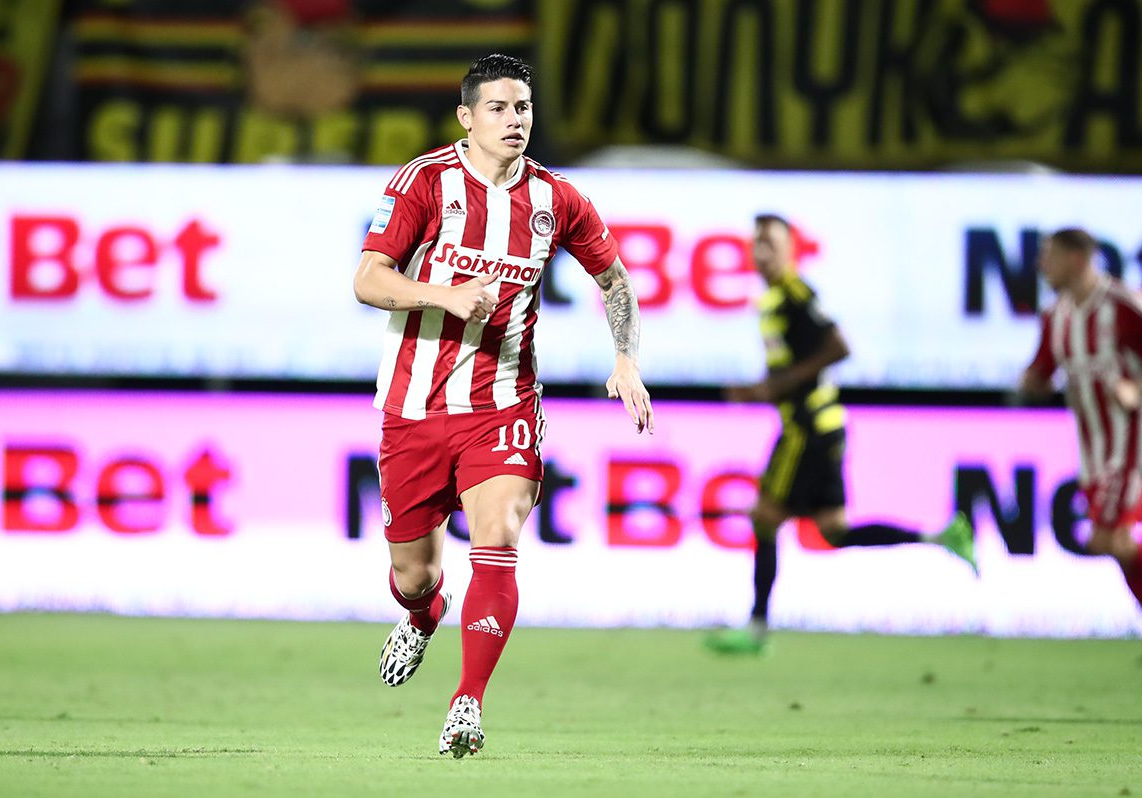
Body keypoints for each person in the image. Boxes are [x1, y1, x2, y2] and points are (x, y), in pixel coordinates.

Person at [352, 53, 654, 758]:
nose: (514, 120)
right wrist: (445, 296)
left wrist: (626, 358)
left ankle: (467, 703)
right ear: (467, 117)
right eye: (498, 107)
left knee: (498, 539)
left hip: (504, 403)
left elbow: (615, 281)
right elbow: (368, 280)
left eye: (523, 107)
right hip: (415, 406)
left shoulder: (557, 199)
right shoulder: (425, 182)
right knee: (414, 575)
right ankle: (423, 615)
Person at [705, 214, 977, 655]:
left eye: (771, 243)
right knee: (834, 530)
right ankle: (941, 537)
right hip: (824, 427)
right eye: (756, 243)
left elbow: (838, 346)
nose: (761, 252)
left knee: (765, 517)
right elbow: (799, 365)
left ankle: (756, 629)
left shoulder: (795, 295)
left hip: (807, 429)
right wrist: (762, 389)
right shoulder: (774, 299)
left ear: (791, 250)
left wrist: (776, 386)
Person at [1017, 228, 1142, 610]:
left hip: (1131, 445)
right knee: (1112, 543)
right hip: (1094, 453)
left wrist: (1135, 390)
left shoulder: (1123, 304)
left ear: (1076, 258)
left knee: (1108, 539)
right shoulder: (1056, 316)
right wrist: (1031, 383)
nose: (1041, 265)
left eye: (1049, 256)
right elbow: (1042, 371)